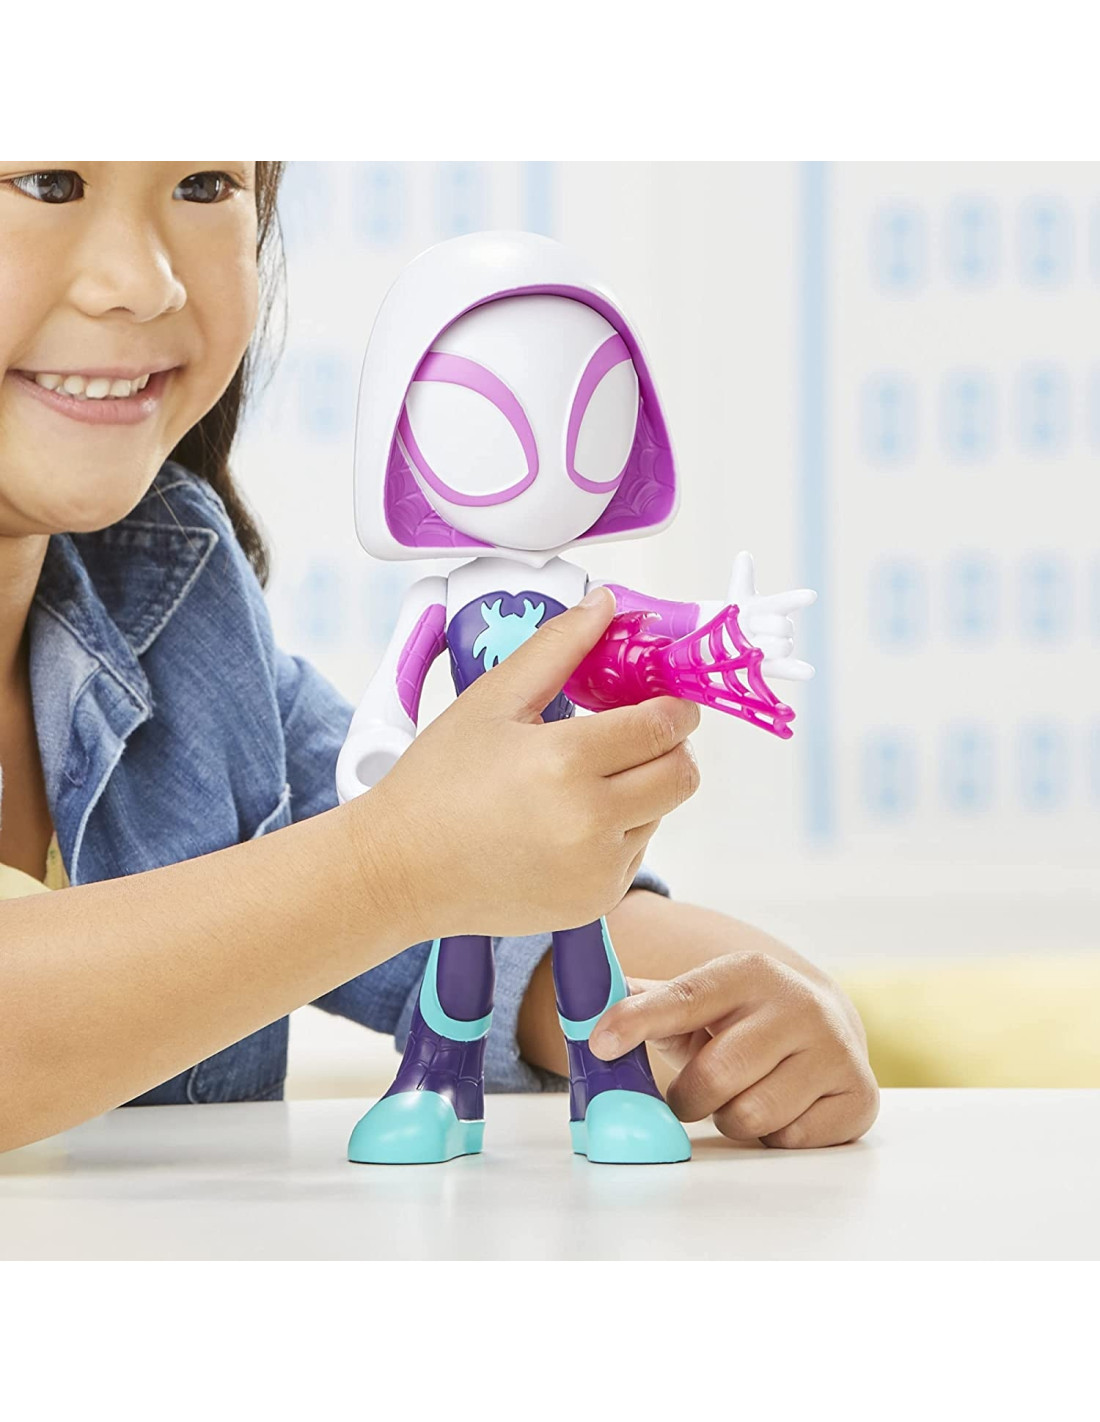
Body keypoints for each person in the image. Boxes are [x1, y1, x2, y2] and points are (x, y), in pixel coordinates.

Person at [0, 161, 878, 1156]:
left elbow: (476, 893)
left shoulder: (177, 603)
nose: (145, 282)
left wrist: (743, 1008)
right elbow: (390, 862)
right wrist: (393, 869)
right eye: (48, 184)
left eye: (204, 185)